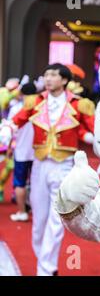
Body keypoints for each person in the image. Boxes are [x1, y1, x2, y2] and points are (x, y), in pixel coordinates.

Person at [9, 63, 95, 275]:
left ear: (64, 80)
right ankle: (45, 261)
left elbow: (91, 129)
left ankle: (45, 269)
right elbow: (15, 121)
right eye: (46, 74)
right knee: (38, 223)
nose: (48, 78)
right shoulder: (34, 101)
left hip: (65, 166)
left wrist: (97, 141)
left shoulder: (79, 104)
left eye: (53, 75)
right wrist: (6, 130)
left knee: (57, 219)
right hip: (39, 166)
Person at [9, 82, 37, 222]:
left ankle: (22, 212)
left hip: (21, 151)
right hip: (38, 152)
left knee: (20, 182)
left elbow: (9, 131)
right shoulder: (41, 108)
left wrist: (8, 148)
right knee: (36, 182)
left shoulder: (16, 109)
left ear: (22, 94)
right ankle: (35, 209)